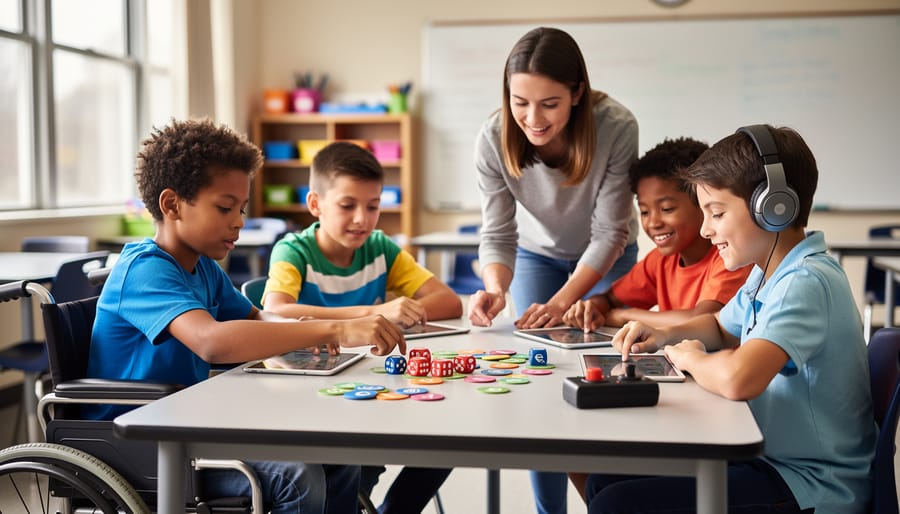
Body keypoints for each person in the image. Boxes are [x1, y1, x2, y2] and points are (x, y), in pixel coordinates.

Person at [86, 119, 406, 514]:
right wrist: (335, 327)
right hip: (136, 444)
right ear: (172, 205)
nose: (238, 220)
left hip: (185, 425)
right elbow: (211, 342)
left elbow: (258, 318)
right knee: (296, 479)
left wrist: (307, 332)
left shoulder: (203, 268)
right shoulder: (145, 269)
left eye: (241, 208)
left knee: (338, 455)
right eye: (225, 207)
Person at [586, 124, 875, 513]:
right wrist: (660, 334)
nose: (706, 230)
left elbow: (739, 379)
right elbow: (721, 327)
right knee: (605, 479)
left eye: (716, 213)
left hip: (812, 484)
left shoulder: (805, 282)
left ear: (773, 208)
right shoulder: (768, 273)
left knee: (618, 503)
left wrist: (690, 358)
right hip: (771, 461)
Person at [466, 26, 640, 514]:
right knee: (541, 382)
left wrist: (564, 301)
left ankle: (610, 501)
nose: (532, 118)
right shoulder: (492, 137)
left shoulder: (616, 126)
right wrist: (496, 287)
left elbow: (611, 233)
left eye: (549, 104)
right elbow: (498, 233)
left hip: (610, 260)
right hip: (540, 259)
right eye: (520, 102)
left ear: (577, 93)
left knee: (605, 374)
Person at [263, 141, 461, 514]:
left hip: (370, 383)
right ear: (315, 204)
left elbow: (447, 301)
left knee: (451, 435)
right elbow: (276, 311)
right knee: (352, 465)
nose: (362, 219)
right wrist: (370, 314)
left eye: (373, 206)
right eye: (347, 205)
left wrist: (396, 311)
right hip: (308, 395)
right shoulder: (293, 250)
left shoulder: (380, 248)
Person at [562, 137, 750, 333]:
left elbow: (700, 319)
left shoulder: (730, 258)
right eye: (644, 211)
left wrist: (625, 316)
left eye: (667, 209)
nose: (653, 223)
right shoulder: (659, 261)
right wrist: (591, 307)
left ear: (703, 203)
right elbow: (609, 299)